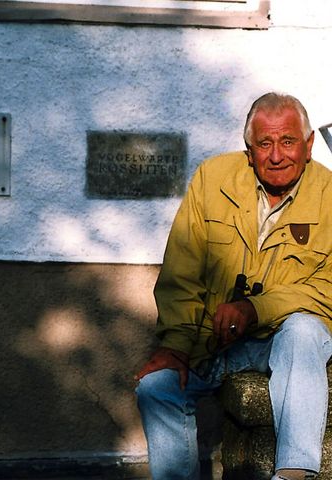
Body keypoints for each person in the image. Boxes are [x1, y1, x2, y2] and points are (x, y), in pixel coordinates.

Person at [135, 92, 332, 480]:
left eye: (289, 141)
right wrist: (175, 345)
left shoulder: (330, 195)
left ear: (309, 145)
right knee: (155, 387)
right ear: (248, 150)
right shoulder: (213, 179)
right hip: (213, 342)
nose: (277, 155)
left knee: (304, 329)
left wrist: (258, 308)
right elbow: (182, 269)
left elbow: (326, 287)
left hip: (280, 340)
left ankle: (293, 472)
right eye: (265, 143)